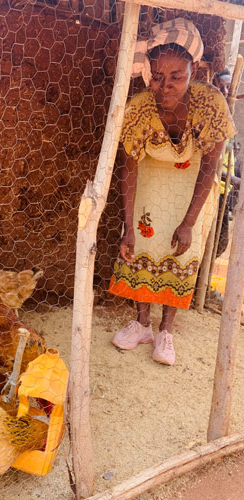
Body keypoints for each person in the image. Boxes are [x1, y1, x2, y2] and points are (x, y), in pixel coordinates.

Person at [108, 18, 236, 366]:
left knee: (182, 252)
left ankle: (166, 330)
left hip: (191, 187)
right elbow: (129, 168)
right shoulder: (139, 108)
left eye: (176, 76)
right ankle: (142, 323)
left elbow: (210, 166)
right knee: (142, 247)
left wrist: (189, 221)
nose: (164, 86)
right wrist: (129, 226)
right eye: (157, 76)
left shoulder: (211, 105)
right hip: (149, 184)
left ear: (193, 70)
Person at [212, 69, 241, 258]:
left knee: (219, 244)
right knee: (214, 241)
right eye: (220, 86)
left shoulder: (227, 117)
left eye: (229, 87)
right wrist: (233, 179)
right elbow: (208, 162)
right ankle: (198, 283)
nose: (224, 91)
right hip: (211, 189)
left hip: (223, 192)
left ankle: (201, 283)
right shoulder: (212, 115)